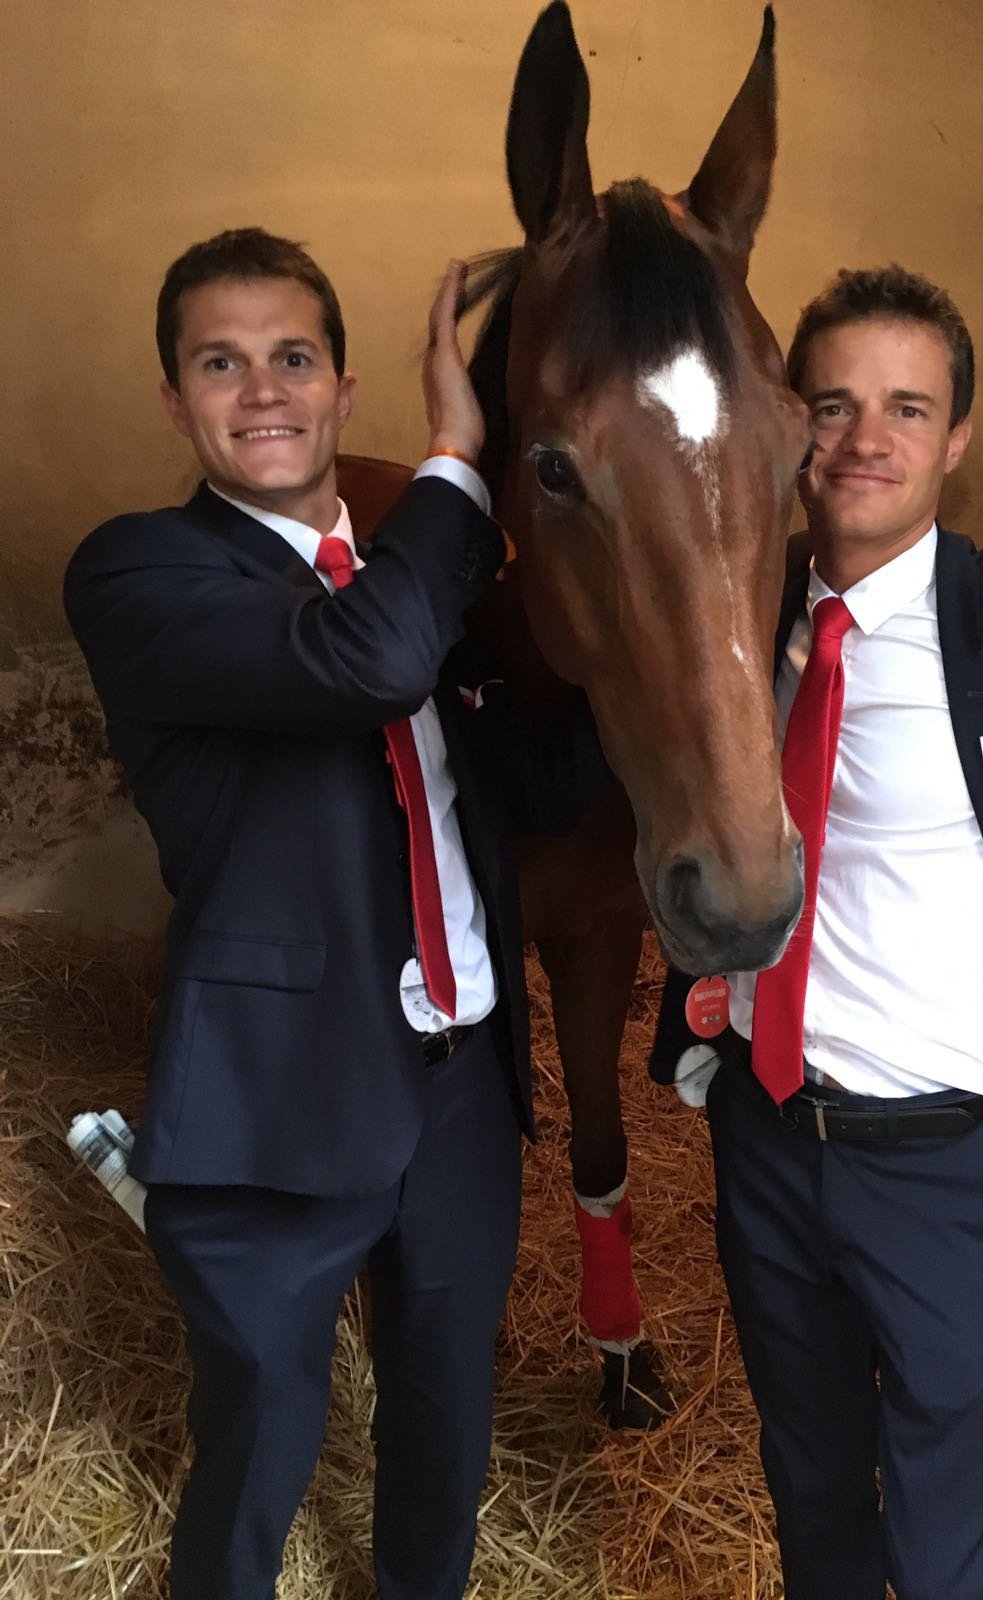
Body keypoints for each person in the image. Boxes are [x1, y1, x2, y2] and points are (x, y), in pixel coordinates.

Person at [63, 227, 608, 1600]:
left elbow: (539, 781)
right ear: (177, 399)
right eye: (222, 364)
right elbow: (366, 664)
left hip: (461, 1088)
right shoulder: (141, 573)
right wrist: (458, 456)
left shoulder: (421, 592)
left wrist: (668, 651)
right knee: (257, 1444)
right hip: (280, 1094)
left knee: (445, 1419)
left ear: (340, 389)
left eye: (294, 357)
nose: (263, 391)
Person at [651, 264, 983, 1600]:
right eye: (832, 405)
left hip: (952, 1167)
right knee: (812, 1497)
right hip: (769, 1143)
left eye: (908, 407)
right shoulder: (730, 618)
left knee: (947, 1549)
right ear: (786, 425)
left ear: (957, 438)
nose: (866, 439)